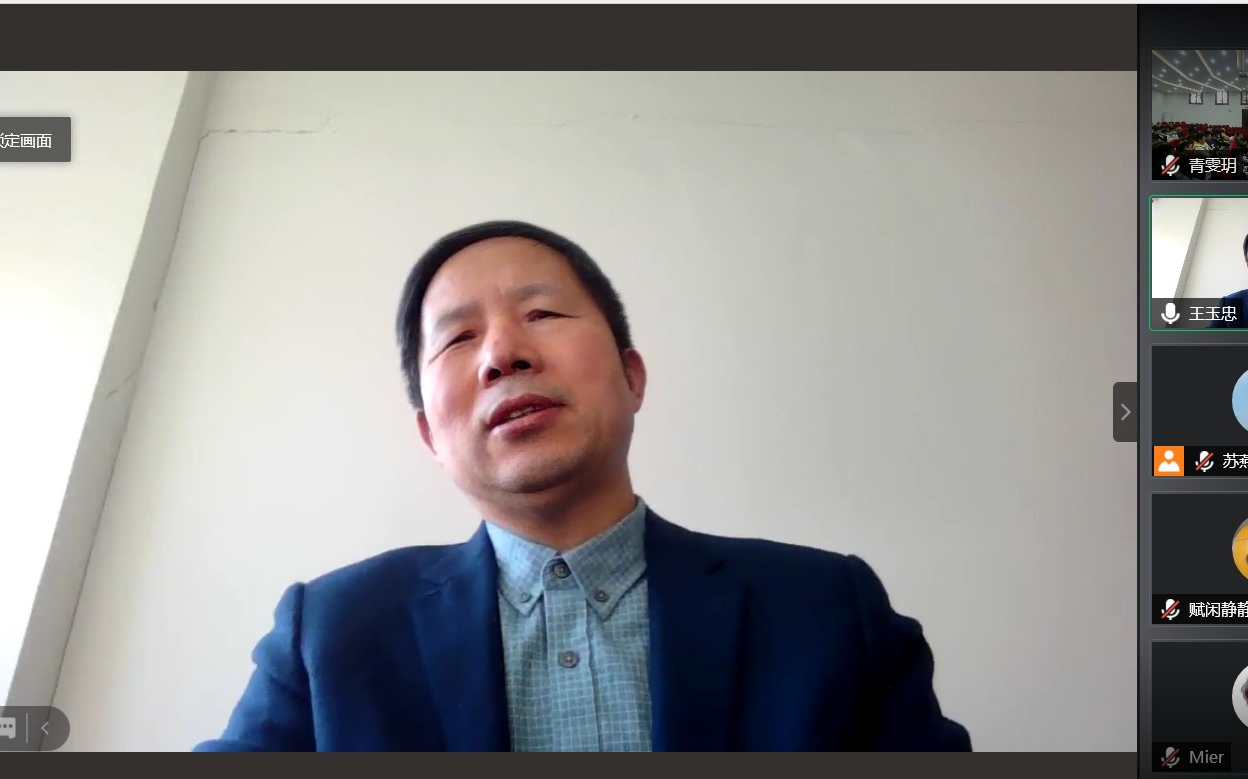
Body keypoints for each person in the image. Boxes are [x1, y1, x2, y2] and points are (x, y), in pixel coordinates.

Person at [193, 220, 972, 752]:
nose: (502, 354)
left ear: (632, 376)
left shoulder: (827, 607)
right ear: (430, 435)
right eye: (459, 337)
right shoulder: (329, 633)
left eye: (541, 312)